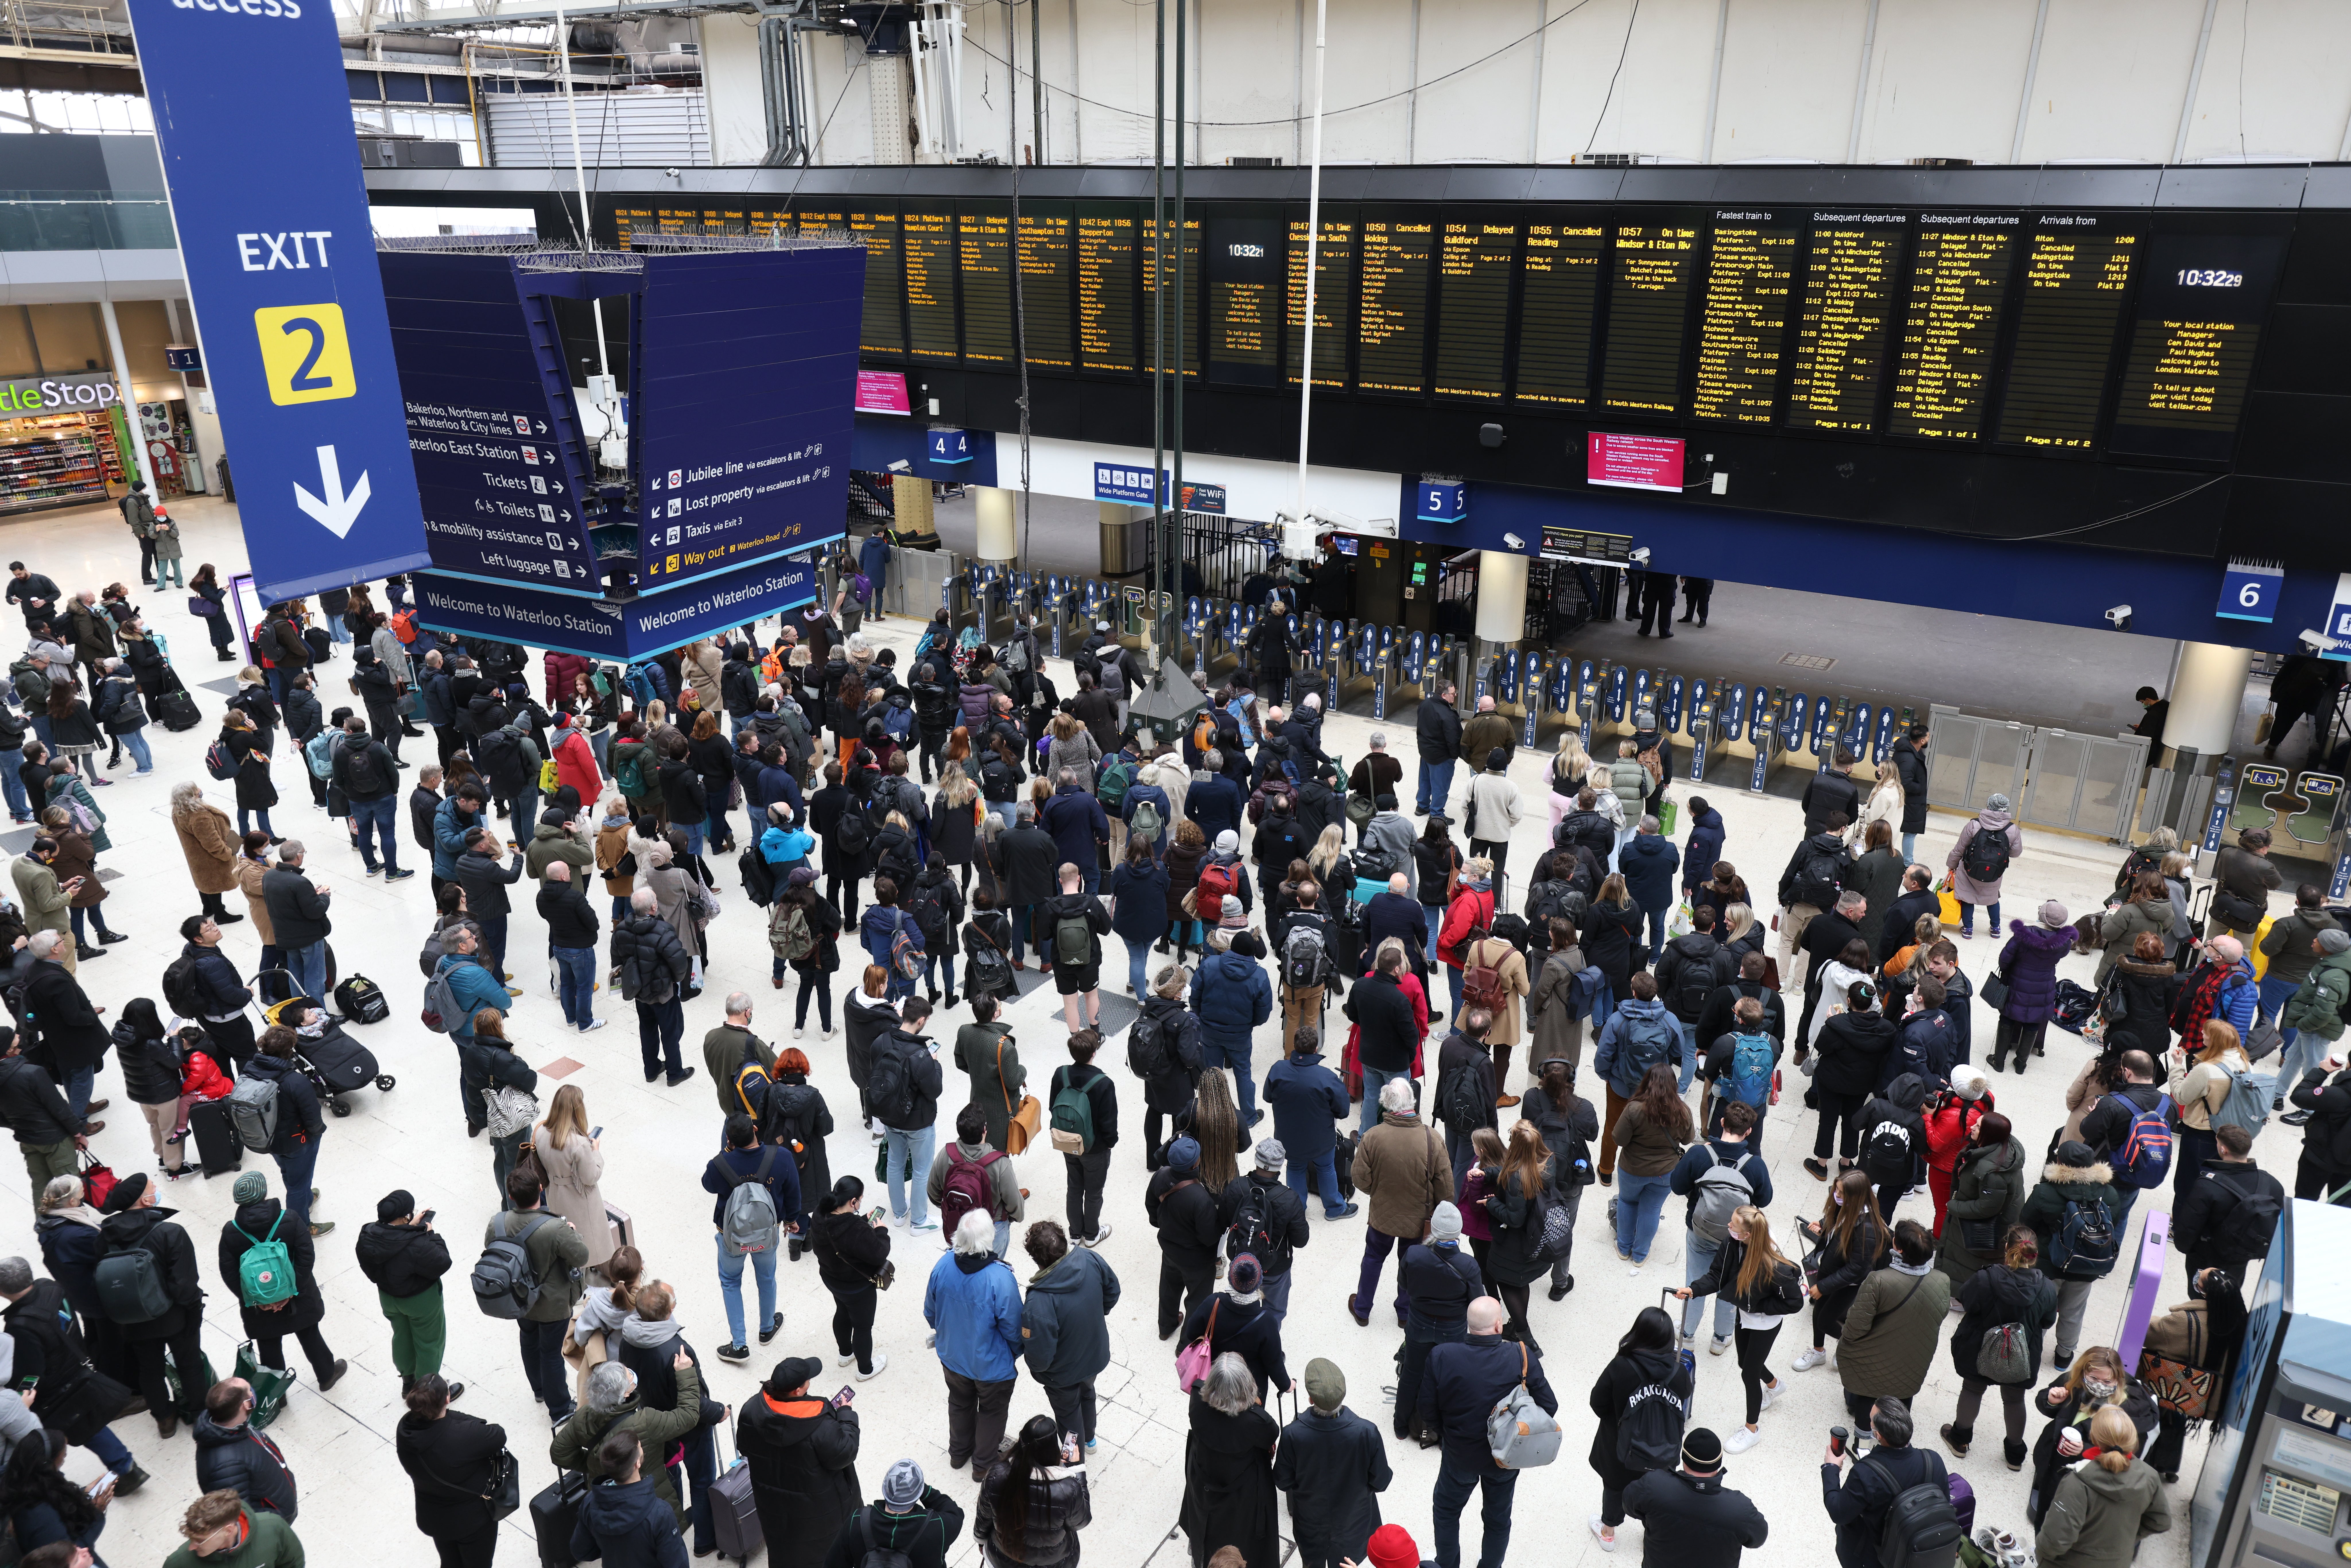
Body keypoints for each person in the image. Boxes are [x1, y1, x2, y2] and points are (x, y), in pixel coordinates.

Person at [95, 1171, 208, 1436]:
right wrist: (194, 1311)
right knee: (189, 1364)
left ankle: (165, 1420)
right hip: (175, 1317)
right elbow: (184, 1284)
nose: (156, 1187)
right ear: (146, 1201)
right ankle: (200, 1416)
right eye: (152, 1186)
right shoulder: (170, 1232)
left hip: (133, 1318)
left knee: (150, 1370)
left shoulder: (104, 1238)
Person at [1941, 1223, 2059, 1468]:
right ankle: (2015, 1455)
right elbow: (2048, 1321)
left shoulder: (1985, 1278)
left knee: (1973, 1390)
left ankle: (1960, 1440)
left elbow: (1966, 1302)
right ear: (2035, 1254)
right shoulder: (2047, 1288)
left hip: (1978, 1349)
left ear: (2007, 1248)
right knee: (2015, 1400)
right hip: (2022, 1354)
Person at [218, 1169, 347, 1392]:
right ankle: (327, 1376)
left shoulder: (231, 1231)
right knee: (309, 1334)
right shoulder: (288, 1218)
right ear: (264, 1193)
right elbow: (307, 1255)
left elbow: (229, 1273)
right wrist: (291, 1291)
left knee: (269, 1346)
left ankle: (278, 1395)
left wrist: (259, 1299)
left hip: (259, 1307)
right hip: (299, 1297)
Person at [1586, 1305, 1694, 1552]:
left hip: (1620, 1447)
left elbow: (1597, 1402)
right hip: (1661, 1447)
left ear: (1638, 1333)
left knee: (1614, 1488)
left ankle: (1608, 1533)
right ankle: (1652, 1533)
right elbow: (1685, 1395)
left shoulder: (1621, 1366)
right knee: (1656, 1492)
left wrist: (1616, 1420)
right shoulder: (1678, 1372)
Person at [738, 1354, 862, 1568]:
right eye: (807, 1380)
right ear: (797, 1391)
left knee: (785, 1552)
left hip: (774, 1508)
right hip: (820, 1513)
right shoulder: (821, 1427)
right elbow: (845, 1452)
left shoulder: (751, 1410)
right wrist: (845, 1414)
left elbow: (745, 1448)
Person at [1671, 1100, 1774, 1349]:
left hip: (1700, 1231)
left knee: (1696, 1279)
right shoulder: (1755, 1165)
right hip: (1735, 1238)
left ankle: (1687, 1334)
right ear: (1748, 1132)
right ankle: (1721, 1338)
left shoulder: (1699, 1154)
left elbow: (1677, 1186)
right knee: (1731, 1282)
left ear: (1722, 1124)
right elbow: (1765, 1199)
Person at [1350, 1076, 1451, 1328]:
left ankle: (1362, 1310)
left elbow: (1359, 1178)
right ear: (1413, 1103)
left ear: (1386, 1104)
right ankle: (1405, 1314)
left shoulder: (1373, 1137)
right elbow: (1446, 1188)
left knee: (1373, 1258)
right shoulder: (1433, 1138)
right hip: (1418, 1220)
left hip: (1382, 1217)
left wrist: (1379, 1192)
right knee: (1411, 1264)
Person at [1834, 1220, 1952, 1432]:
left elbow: (1855, 1327)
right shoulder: (1942, 1280)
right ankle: (1896, 1438)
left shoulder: (1879, 1280)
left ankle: (1862, 1442)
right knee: (1903, 1392)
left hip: (1875, 1358)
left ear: (1898, 1249)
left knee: (1868, 1395)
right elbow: (1940, 1314)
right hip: (1916, 1356)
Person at [493, 1165, 589, 1423]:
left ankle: (539, 1390)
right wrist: (572, 1231)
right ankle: (559, 1408)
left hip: (518, 1299)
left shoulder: (498, 1223)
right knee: (551, 1352)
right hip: (552, 1303)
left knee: (528, 1340)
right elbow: (582, 1255)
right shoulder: (554, 1228)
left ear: (511, 1196)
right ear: (540, 1190)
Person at [1275, 1357, 1392, 1568]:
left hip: (1311, 1526)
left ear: (1311, 1399)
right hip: (1353, 1525)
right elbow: (1381, 1483)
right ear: (1343, 1396)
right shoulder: (1367, 1432)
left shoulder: (1293, 1435)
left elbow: (1283, 1482)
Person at [705, 1113, 801, 1360]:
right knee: (767, 1278)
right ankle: (767, 1329)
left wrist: (728, 1152)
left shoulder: (720, 1164)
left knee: (730, 1282)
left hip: (731, 1238)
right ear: (756, 1129)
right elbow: (793, 1195)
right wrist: (790, 1221)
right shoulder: (781, 1157)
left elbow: (708, 1184)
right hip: (766, 1236)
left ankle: (739, 1345)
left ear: (729, 1139)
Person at [1021, 1220, 1119, 1452]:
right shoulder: (1090, 1259)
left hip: (1061, 1375)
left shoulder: (1039, 1301)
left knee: (1068, 1423)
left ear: (1037, 1259)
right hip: (1094, 1356)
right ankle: (1090, 1440)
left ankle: (1074, 1472)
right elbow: (1113, 1291)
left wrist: (1038, 1371)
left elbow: (1040, 1354)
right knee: (1087, 1393)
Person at [2034, 1406, 2172, 1568]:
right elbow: (2161, 1521)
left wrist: (2042, 1556)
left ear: (2094, 1437)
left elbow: (2055, 1542)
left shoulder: (2078, 1482)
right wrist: (2126, 1541)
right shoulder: (2150, 1477)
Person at [1180, 1351, 1282, 1568]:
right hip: (1241, 1488)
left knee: (1206, 1525)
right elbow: (1271, 1434)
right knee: (1242, 1533)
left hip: (1205, 1477)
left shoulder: (1197, 1400)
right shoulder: (1256, 1422)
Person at [395, 1374, 505, 1568]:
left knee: (450, 1562)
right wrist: (449, 1416)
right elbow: (497, 1433)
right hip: (472, 1521)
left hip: (434, 1517)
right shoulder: (462, 1435)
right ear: (448, 1399)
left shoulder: (405, 1429)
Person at [1821, 1398, 1945, 1568]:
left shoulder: (1866, 1474)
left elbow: (1838, 1513)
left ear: (1878, 1435)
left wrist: (1831, 1468)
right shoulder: (1933, 1460)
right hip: (1921, 1551)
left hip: (1876, 1559)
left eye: (1871, 1421)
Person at [1621, 1426, 1769, 1568]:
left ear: (1684, 1460)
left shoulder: (1654, 1486)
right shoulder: (1740, 1510)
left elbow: (1628, 1504)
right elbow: (1759, 1538)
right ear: (1717, 1465)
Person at [356, 1190, 454, 1394]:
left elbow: (388, 1243)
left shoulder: (367, 1234)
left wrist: (407, 1228)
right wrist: (430, 1235)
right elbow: (443, 1262)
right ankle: (428, 1395)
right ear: (403, 1217)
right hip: (420, 1301)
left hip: (389, 1298)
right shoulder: (417, 1244)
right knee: (429, 1343)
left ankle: (408, 1382)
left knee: (402, 1336)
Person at [2171, 1119, 2286, 1278]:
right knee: (2229, 1293)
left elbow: (2188, 1228)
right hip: (2240, 1257)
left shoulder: (2207, 1186)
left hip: (2206, 1258)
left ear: (2224, 1150)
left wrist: (2187, 1249)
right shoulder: (2272, 1184)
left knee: (2198, 1297)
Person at [976, 1414, 1089, 1568]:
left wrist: (981, 1542)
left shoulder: (996, 1476)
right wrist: (1078, 1470)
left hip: (1004, 1559)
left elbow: (984, 1517)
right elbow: (1081, 1521)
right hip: (1055, 1562)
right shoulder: (1069, 1489)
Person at [872, 995, 946, 1232]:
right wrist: (935, 1063)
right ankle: (919, 1221)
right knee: (922, 1171)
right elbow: (934, 1090)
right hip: (918, 1122)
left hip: (889, 1116)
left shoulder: (881, 1041)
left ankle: (899, 1213)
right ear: (922, 1021)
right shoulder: (921, 1054)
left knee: (895, 1162)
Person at [811, 1175, 895, 1377]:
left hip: (832, 1279)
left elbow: (841, 1231)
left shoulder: (820, 1214)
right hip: (857, 1287)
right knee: (863, 1327)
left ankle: (845, 1354)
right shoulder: (853, 1229)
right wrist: (882, 1231)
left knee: (842, 1312)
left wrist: (863, 1221)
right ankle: (866, 1370)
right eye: (861, 1199)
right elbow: (878, 1254)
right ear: (853, 1202)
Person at [572, 1427, 690, 1568]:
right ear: (637, 1464)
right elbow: (678, 1564)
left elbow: (580, 1551)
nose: (642, 1449)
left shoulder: (590, 1503)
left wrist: (613, 1550)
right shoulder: (660, 1514)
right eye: (640, 1447)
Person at [613, 886, 696, 1087]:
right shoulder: (663, 930)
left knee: (647, 1030)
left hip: (639, 993)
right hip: (663, 994)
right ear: (653, 907)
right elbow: (678, 961)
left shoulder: (622, 930)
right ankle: (675, 1073)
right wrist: (676, 981)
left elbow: (617, 962)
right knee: (671, 1031)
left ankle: (651, 1070)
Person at [193, 1374, 301, 1518]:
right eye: (250, 1391)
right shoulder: (225, 1468)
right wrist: (276, 1519)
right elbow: (242, 1515)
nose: (253, 1392)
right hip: (275, 1521)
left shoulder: (231, 1428)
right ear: (246, 1405)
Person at [1048, 1028, 1117, 1246]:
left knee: (1075, 1187)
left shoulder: (1061, 1073)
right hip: (1095, 1149)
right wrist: (1109, 1144)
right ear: (1094, 1053)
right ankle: (1092, 1235)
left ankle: (1075, 1235)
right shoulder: (1104, 1083)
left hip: (1067, 1143)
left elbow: (1053, 1106)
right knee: (1094, 1192)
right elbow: (1109, 1124)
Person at [163, 1489, 306, 1568]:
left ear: (228, 1531)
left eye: (200, 1541)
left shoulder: (274, 1528)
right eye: (191, 1539)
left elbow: (293, 1564)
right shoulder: (178, 1564)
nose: (192, 1547)